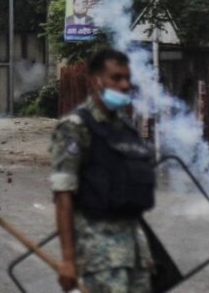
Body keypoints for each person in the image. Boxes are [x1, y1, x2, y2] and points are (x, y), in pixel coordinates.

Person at [51, 48, 156, 293]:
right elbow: (63, 194)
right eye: (116, 78)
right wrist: (67, 259)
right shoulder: (75, 128)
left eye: (127, 78)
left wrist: (146, 251)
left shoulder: (126, 130)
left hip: (136, 255)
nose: (124, 85)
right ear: (94, 79)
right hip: (100, 256)